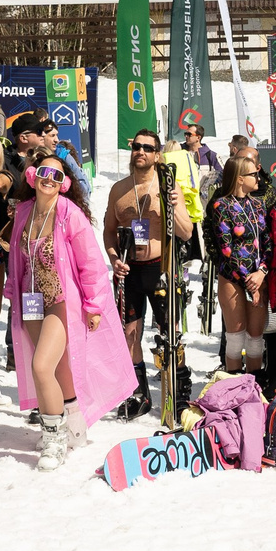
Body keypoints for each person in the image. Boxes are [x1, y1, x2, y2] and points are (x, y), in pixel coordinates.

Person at [6, 154, 130, 471]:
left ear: (65, 184)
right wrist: (11, 290)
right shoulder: (23, 211)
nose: (50, 179)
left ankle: (53, 438)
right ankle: (73, 423)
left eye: (58, 176)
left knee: (41, 365)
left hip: (60, 299)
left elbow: (90, 264)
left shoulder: (69, 214)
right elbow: (17, 260)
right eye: (45, 172)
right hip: (31, 298)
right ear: (33, 175)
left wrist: (93, 305)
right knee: (58, 365)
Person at [102, 127, 192, 419]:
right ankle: (139, 394)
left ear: (157, 155)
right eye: (136, 146)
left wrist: (174, 207)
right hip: (129, 270)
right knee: (130, 334)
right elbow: (108, 232)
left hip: (160, 268)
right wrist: (114, 258)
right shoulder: (119, 189)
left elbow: (187, 233)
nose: (140, 151)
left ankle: (179, 395)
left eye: (147, 148)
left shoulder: (167, 187)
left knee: (170, 334)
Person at [207, 154, 273, 375]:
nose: (259, 178)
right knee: (236, 337)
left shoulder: (258, 204)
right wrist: (249, 281)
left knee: (256, 338)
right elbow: (226, 249)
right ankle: (234, 387)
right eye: (254, 174)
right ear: (239, 178)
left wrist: (261, 273)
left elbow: (267, 243)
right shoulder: (221, 205)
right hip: (233, 277)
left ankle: (254, 387)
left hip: (258, 276)